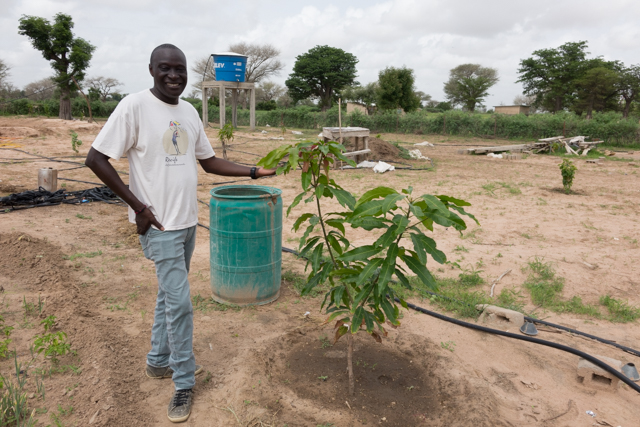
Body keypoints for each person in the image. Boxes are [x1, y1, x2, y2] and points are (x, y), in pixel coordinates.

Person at [85, 43, 275, 423]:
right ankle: (183, 382)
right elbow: (95, 158)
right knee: (180, 303)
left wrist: (254, 171)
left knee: (169, 298)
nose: (174, 76)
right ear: (152, 69)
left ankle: (158, 361)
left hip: (187, 222)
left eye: (181, 69)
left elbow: (208, 162)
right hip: (160, 227)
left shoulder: (188, 111)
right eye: (166, 69)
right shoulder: (134, 106)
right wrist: (138, 206)